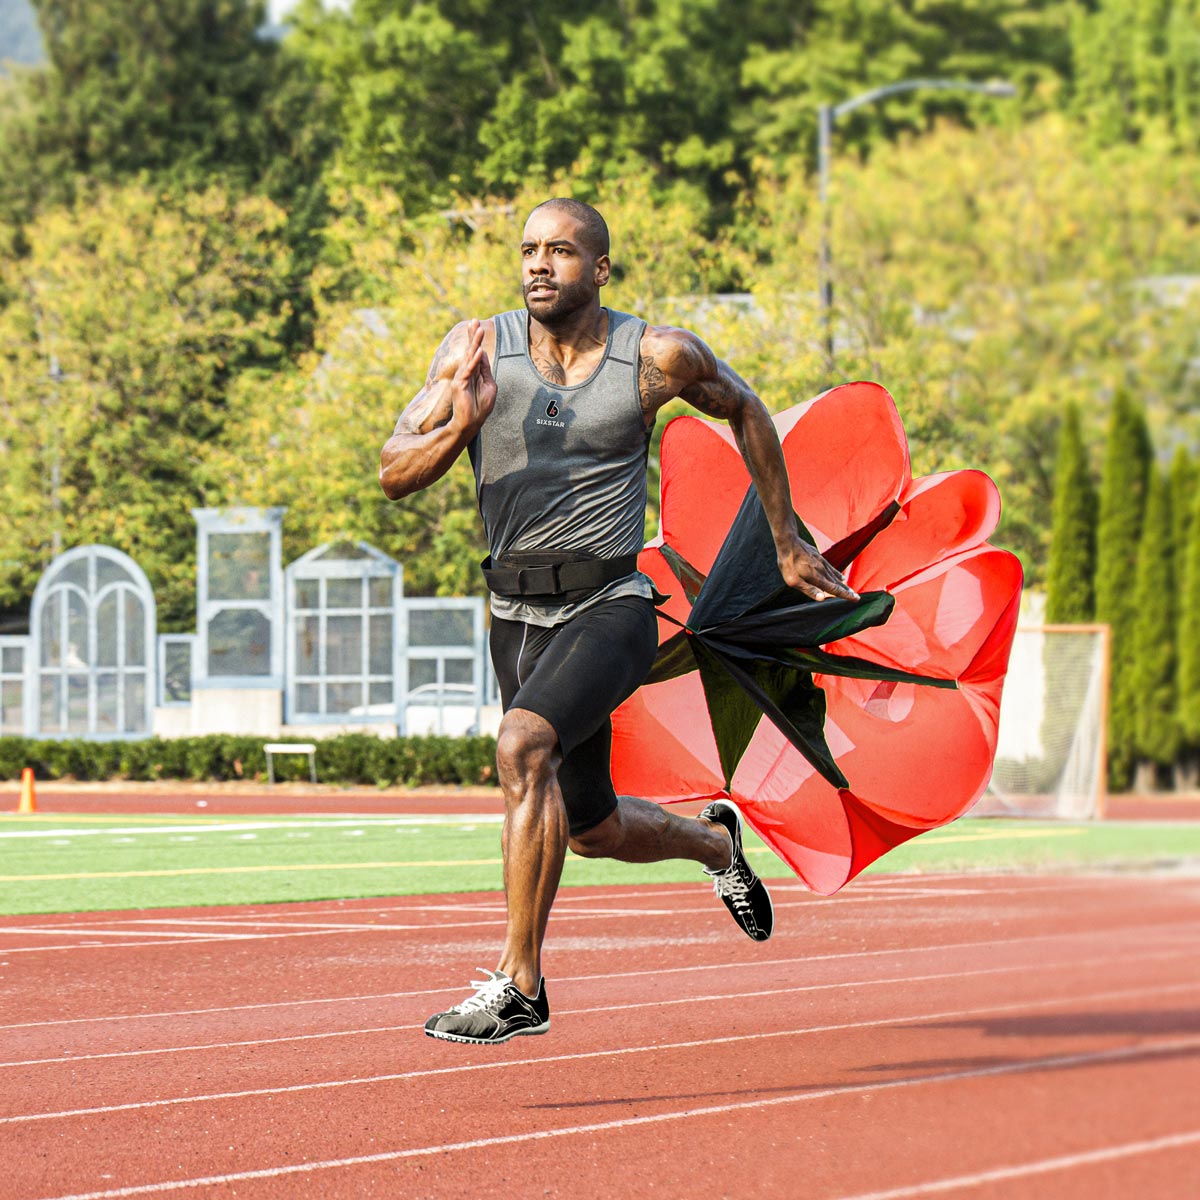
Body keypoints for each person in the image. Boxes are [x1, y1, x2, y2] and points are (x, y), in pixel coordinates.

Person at [380, 198, 858, 1045]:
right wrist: (464, 420)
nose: (537, 265)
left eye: (559, 251)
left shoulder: (658, 355)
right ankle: (716, 845)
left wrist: (785, 541)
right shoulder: (475, 349)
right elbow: (393, 471)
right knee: (591, 825)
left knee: (522, 746)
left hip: (612, 605)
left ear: (599, 269)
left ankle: (519, 986)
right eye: (527, 249)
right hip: (516, 617)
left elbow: (747, 410)